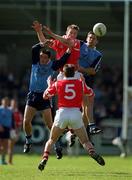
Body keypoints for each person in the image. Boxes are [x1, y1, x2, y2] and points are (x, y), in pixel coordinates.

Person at [38, 64, 105, 171]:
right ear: (74, 73)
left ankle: (44, 158)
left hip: (62, 113)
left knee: (51, 140)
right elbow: (91, 93)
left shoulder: (58, 83)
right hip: (75, 114)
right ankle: (92, 152)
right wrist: (83, 83)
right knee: (85, 141)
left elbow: (45, 96)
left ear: (63, 73)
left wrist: (49, 85)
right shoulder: (80, 83)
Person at [23, 21, 71, 160]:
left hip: (45, 96)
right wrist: (41, 38)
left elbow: (64, 59)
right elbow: (34, 49)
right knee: (26, 121)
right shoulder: (35, 62)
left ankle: (56, 145)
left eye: (45, 57)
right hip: (33, 95)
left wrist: (69, 47)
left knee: (50, 125)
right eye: (41, 57)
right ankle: (28, 140)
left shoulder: (53, 65)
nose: (43, 59)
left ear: (49, 58)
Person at [8, 98, 23, 164]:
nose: (14, 105)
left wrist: (18, 132)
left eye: (15, 103)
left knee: (10, 146)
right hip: (6, 130)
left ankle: (9, 161)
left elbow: (20, 124)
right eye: (13, 103)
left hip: (13, 131)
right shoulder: (7, 110)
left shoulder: (18, 113)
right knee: (5, 146)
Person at [0, 97, 14, 165]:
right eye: (4, 101)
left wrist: (11, 127)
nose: (6, 102)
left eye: (7, 101)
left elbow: (11, 119)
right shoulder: (0, 109)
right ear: (2, 102)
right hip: (1, 127)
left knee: (5, 145)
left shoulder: (10, 110)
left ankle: (2, 160)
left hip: (7, 128)